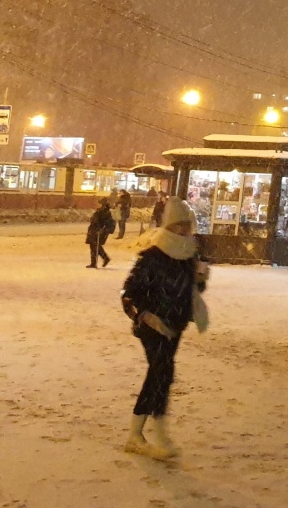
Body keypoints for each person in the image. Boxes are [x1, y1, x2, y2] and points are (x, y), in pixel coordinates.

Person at [121, 196, 208, 458]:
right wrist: (144, 315)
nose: (183, 230)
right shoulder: (154, 255)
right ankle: (153, 434)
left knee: (163, 375)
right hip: (152, 324)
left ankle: (139, 434)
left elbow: (192, 290)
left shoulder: (189, 253)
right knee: (160, 372)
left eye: (186, 224)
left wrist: (201, 279)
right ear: (168, 225)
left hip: (175, 323)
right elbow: (129, 293)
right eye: (178, 225)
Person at [87, 197, 115, 268]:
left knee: (95, 245)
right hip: (94, 230)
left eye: (99, 203)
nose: (97, 204)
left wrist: (102, 230)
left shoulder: (104, 212)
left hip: (98, 231)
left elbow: (105, 222)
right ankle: (99, 260)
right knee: (94, 246)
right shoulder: (101, 211)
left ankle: (102, 259)